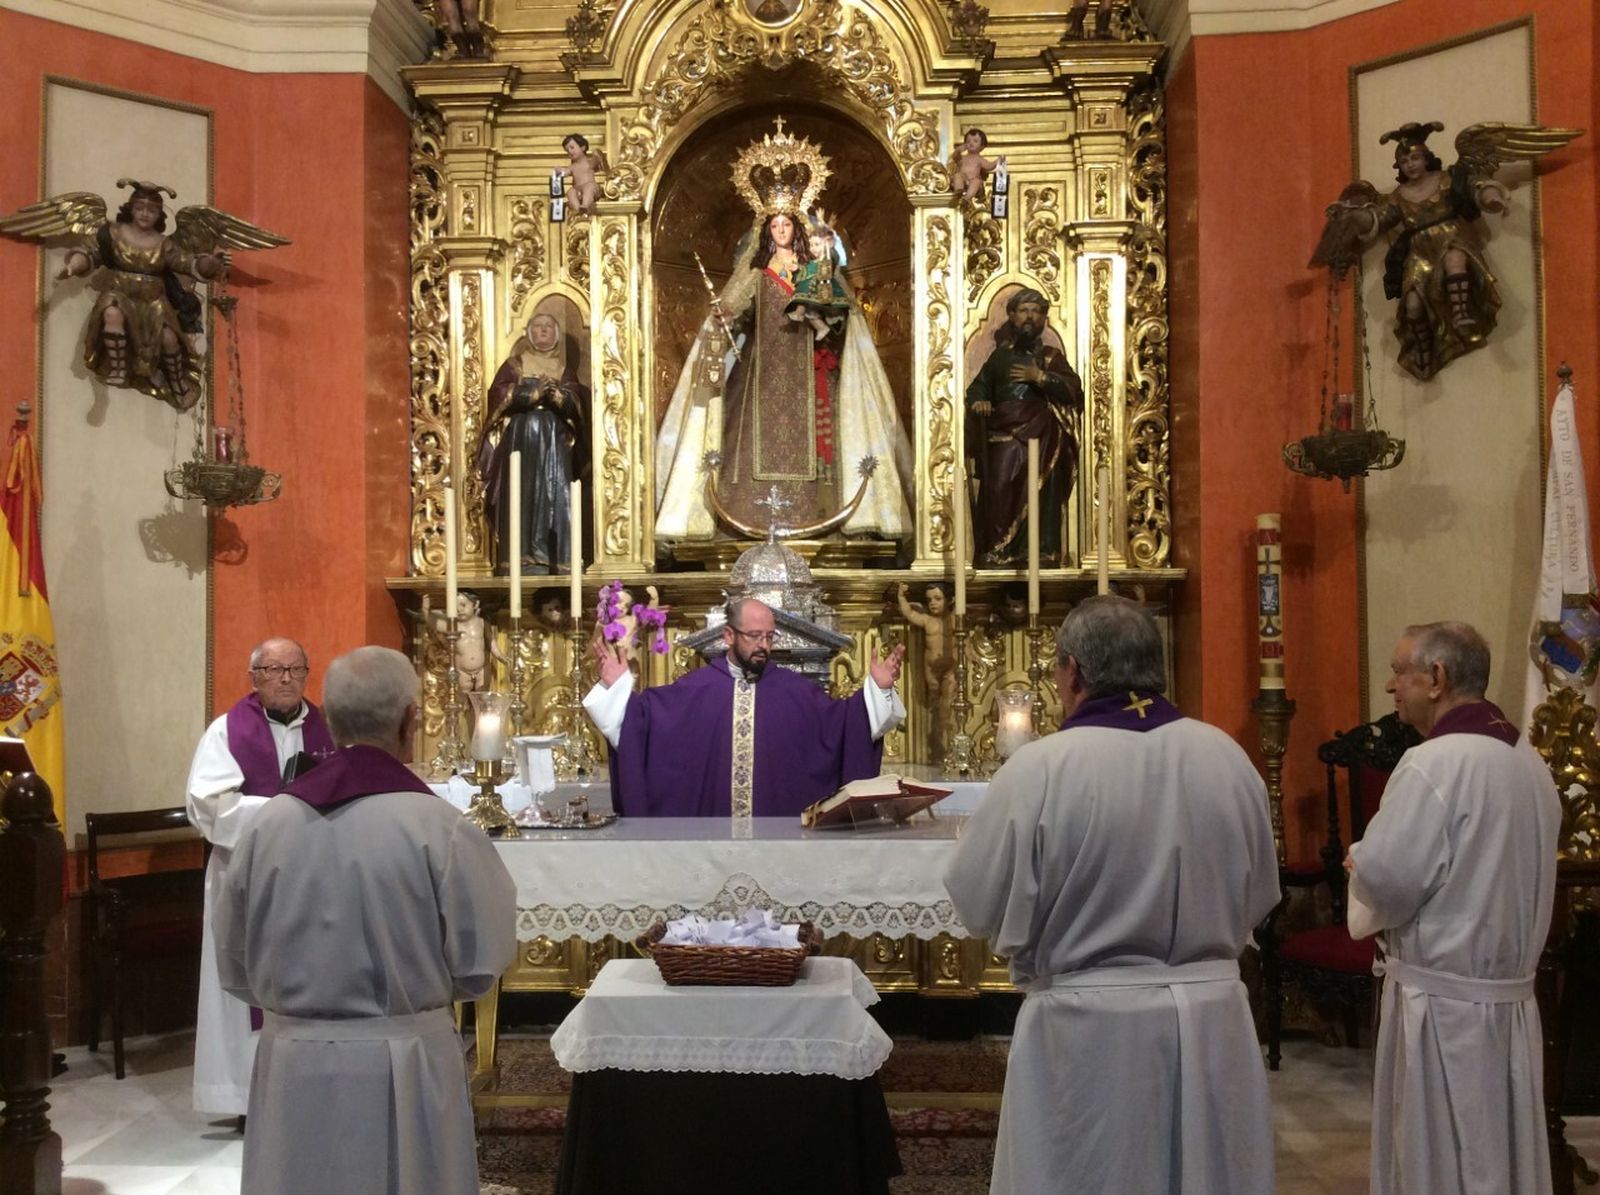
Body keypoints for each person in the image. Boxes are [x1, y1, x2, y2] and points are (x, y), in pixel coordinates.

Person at [945, 595, 1279, 1194]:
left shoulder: (1040, 768)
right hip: (1212, 1022)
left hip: (1088, 1033)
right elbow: (1260, 895)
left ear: (1073, 671)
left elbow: (977, 901)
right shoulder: (1228, 757)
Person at [213, 646, 516, 1195]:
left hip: (293, 1062)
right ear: (409, 721)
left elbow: (234, 959)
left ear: (329, 720)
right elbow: (482, 961)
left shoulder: (268, 825)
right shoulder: (440, 827)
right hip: (405, 1059)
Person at [1347, 622, 1559, 1195]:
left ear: (1437, 677)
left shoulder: (1434, 763)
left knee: (1439, 1160)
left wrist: (1359, 861)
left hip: (1441, 1010)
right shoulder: (1527, 760)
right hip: (1508, 1003)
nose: (1391, 687)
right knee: (1499, 1154)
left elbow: (1388, 879)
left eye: (1400, 672)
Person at [655, 120, 911, 542]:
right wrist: (724, 317)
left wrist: (823, 313)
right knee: (748, 433)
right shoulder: (756, 272)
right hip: (762, 370)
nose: (781, 231)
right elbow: (737, 310)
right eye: (774, 226)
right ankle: (749, 513)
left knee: (822, 433)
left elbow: (841, 309)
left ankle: (822, 512)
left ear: (796, 227)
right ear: (766, 230)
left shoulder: (814, 268)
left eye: (786, 225)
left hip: (810, 368)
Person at [184, 637, 334, 1120]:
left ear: (307, 673)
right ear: (254, 677)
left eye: (295, 669)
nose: (285, 678)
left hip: (314, 879)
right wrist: (286, 811)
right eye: (273, 669)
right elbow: (211, 807)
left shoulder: (329, 728)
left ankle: (310, 1092)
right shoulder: (226, 732)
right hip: (244, 875)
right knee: (242, 989)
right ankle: (245, 1098)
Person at [583, 597, 906, 816]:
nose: (763, 646)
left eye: (769, 637)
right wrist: (618, 689)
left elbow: (844, 724)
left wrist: (877, 689)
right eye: (754, 636)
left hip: (779, 849)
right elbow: (641, 723)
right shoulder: (696, 690)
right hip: (708, 849)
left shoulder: (794, 691)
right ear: (728, 635)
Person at [965, 288, 1084, 566]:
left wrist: (1041, 377)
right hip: (1004, 437)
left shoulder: (1051, 357)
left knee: (1043, 490)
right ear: (1012, 316)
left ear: (1043, 317)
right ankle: (998, 550)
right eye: (1023, 310)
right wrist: (980, 401)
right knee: (999, 488)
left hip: (1042, 436)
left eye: (1035, 311)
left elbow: (1073, 391)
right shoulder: (999, 358)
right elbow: (978, 387)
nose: (1029, 316)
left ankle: (1042, 551)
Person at [476, 310, 589, 574]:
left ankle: (556, 556)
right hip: (522, 439)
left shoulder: (564, 371)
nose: (543, 330)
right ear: (529, 333)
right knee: (523, 491)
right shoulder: (515, 365)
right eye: (538, 326)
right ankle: (523, 554)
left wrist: (558, 395)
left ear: (556, 335)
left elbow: (577, 404)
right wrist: (531, 393)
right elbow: (498, 394)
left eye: (548, 326)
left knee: (555, 493)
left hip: (556, 443)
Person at [897, 581, 955, 760]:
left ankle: (948, 737)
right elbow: (909, 613)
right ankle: (935, 741)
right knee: (933, 703)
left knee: (947, 702)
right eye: (929, 600)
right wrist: (901, 596)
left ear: (950, 600)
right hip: (930, 669)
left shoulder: (954, 619)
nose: (933, 603)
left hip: (950, 668)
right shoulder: (927, 620)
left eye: (938, 598)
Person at [949, 128, 1006, 201]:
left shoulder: (980, 159)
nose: (971, 143)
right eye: (968, 141)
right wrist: (959, 150)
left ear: (982, 146)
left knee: (976, 181)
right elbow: (954, 157)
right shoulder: (962, 158)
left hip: (974, 182)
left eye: (975, 141)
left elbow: (989, 166)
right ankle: (958, 192)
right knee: (958, 175)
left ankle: (966, 199)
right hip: (964, 180)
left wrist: (997, 161)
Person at [558, 134, 606, 216]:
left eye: (572, 147)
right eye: (567, 150)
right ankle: (578, 210)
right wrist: (559, 171)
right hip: (578, 190)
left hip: (592, 187)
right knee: (570, 192)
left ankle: (585, 206)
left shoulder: (589, 162)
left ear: (583, 147)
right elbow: (566, 172)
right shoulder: (572, 166)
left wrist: (597, 155)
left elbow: (599, 161)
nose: (569, 151)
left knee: (588, 187)